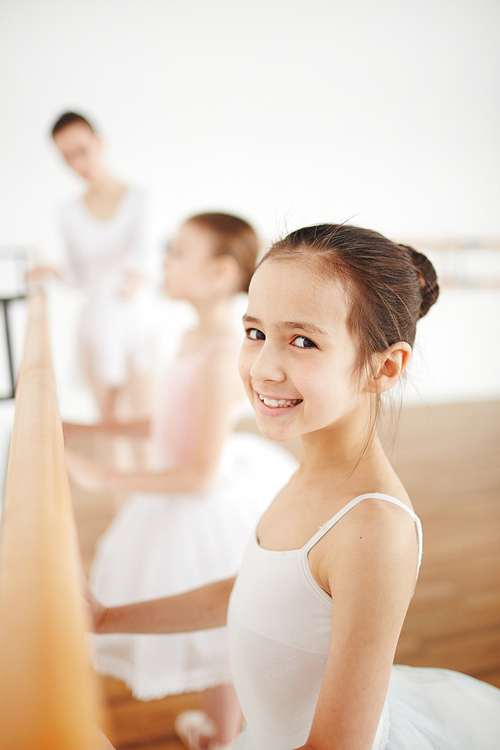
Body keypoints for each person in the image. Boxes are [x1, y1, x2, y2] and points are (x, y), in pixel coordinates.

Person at [83, 223, 500, 750]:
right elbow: (256, 592)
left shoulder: (374, 529)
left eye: (302, 341)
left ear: (384, 367)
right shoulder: (307, 470)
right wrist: (105, 618)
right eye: (255, 333)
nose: (263, 368)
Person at [65, 213, 298, 750]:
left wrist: (104, 474)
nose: (163, 261)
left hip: (205, 499)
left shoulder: (222, 354)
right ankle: (218, 731)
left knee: (222, 634)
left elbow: (197, 475)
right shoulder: (195, 335)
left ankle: (223, 733)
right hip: (190, 491)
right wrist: (91, 427)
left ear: (218, 271)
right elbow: (171, 422)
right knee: (219, 639)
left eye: (177, 252)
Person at [32, 111, 159, 463]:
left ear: (100, 143)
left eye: (82, 150)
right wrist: (52, 270)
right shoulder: (68, 212)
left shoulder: (139, 199)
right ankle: (125, 514)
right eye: (67, 157)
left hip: (136, 323)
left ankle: (152, 514)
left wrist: (137, 276)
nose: (78, 162)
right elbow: (77, 277)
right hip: (97, 324)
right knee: (107, 431)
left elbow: (146, 260)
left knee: (143, 432)